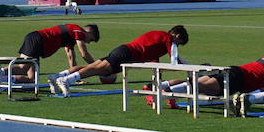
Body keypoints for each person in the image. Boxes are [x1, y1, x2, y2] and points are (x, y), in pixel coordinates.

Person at [50, 25, 188, 95]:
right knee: (98, 70)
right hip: (127, 54)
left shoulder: (160, 39)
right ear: (176, 35)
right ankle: (67, 80)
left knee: (95, 67)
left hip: (124, 51)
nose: (177, 45)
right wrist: (191, 67)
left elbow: (153, 58)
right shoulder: (168, 39)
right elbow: (174, 59)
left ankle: (59, 76)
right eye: (179, 42)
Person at [153, 51, 264, 104]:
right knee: (206, 89)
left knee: (199, 81)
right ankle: (161, 94)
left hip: (236, 69)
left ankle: (162, 86)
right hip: (241, 80)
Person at [0, 23, 99, 84]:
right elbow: (84, 53)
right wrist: (97, 67)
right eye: (91, 39)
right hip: (37, 39)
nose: (89, 42)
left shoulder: (71, 37)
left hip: (37, 41)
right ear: (88, 32)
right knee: (23, 68)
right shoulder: (78, 31)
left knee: (32, 80)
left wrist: (73, 79)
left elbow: (71, 57)